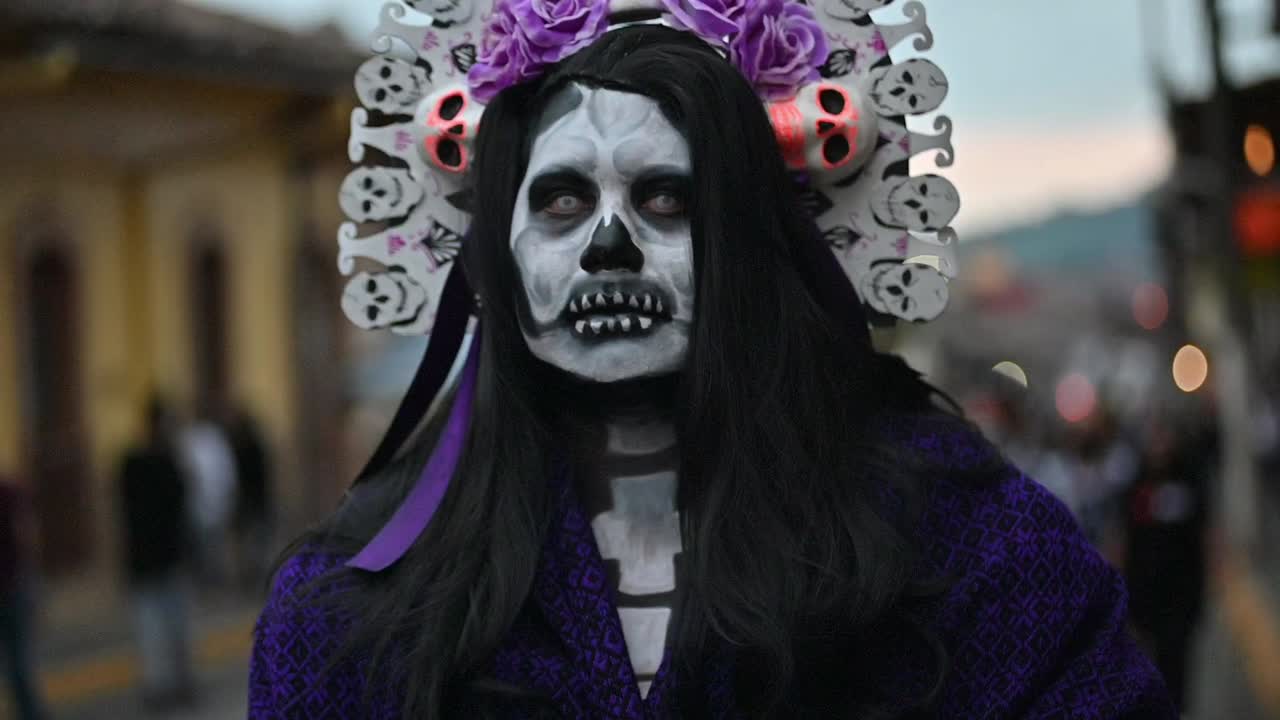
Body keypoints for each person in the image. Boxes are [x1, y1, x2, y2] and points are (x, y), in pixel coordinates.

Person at [251, 2, 1174, 717]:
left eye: (667, 200)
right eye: (563, 203)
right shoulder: (344, 615)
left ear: (760, 249)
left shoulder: (981, 561)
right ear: (496, 254)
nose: (608, 246)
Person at [1123, 415, 1212, 712]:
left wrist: (1200, 595)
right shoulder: (1136, 486)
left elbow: (1202, 539)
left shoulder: (1190, 482)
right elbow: (1128, 541)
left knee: (1177, 669)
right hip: (1146, 596)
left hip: (1181, 596)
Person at [118, 398, 196, 710]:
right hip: (159, 560)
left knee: (161, 627)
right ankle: (168, 684)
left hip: (155, 560)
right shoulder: (160, 463)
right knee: (162, 626)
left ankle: (168, 683)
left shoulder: (133, 463)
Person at [0, 474, 48, 720]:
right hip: (14, 584)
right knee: (21, 658)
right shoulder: (9, 491)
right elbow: (26, 534)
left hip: (13, 585)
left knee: (14, 660)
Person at [177, 407, 237, 587]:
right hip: (202, 504)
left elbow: (224, 472)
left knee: (212, 543)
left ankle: (212, 577)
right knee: (204, 544)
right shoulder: (189, 440)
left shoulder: (207, 440)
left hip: (212, 502)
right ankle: (207, 577)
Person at [227, 408, 274, 591]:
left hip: (249, 503)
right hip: (254, 503)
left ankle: (252, 578)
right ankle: (254, 578)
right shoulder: (253, 448)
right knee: (255, 545)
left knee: (252, 545)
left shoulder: (240, 449)